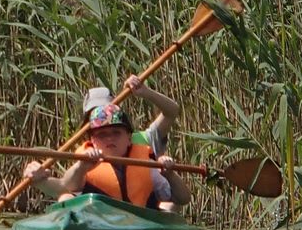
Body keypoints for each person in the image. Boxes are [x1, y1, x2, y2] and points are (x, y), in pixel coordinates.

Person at [23, 76, 190, 210]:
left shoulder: (143, 146)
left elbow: (172, 111)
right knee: (66, 199)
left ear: (128, 136)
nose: (104, 117)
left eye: (116, 132)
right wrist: (39, 180)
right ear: (91, 136)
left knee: (168, 206)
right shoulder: (87, 155)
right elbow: (65, 187)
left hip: (140, 218)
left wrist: (145, 92)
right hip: (101, 220)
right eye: (101, 132)